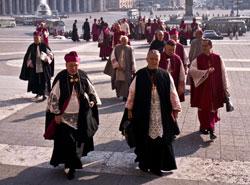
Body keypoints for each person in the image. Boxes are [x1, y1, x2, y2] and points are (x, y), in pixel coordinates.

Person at [123, 49, 181, 176]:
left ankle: (157, 166)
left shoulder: (165, 74)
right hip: (143, 113)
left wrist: (175, 109)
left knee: (161, 139)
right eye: (152, 59)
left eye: (156, 59)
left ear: (159, 60)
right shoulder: (140, 74)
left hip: (161, 114)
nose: (154, 61)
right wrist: (129, 109)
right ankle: (145, 164)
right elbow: (131, 93)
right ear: (147, 59)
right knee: (145, 138)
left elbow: (173, 92)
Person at [45, 51, 101, 180]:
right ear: (66, 65)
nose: (74, 68)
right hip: (65, 118)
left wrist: (92, 100)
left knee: (78, 142)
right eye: (71, 65)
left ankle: (73, 163)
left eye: (76, 65)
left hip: (80, 117)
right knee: (69, 142)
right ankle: (71, 168)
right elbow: (53, 97)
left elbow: (91, 91)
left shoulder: (83, 76)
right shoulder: (60, 78)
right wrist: (57, 113)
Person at [190, 39, 229, 139]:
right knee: (202, 108)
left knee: (212, 108)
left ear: (210, 46)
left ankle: (211, 129)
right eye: (202, 46)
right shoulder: (198, 59)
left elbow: (223, 74)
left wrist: (225, 87)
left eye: (205, 46)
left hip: (215, 89)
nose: (203, 48)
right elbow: (192, 70)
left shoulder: (218, 58)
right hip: (203, 90)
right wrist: (205, 72)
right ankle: (203, 127)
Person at [19, 31, 54, 101]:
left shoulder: (44, 45)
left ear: (40, 38)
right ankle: (38, 93)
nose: (35, 39)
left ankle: (44, 94)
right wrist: (30, 63)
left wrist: (47, 59)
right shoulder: (31, 47)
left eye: (37, 38)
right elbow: (27, 57)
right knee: (36, 81)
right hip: (35, 68)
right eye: (34, 38)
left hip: (43, 67)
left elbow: (51, 55)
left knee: (44, 81)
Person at [110, 36, 136, 101]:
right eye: (122, 41)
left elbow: (133, 59)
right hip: (118, 69)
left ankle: (125, 96)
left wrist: (133, 69)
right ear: (120, 41)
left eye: (125, 41)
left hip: (127, 68)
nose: (123, 42)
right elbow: (113, 57)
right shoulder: (116, 47)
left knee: (127, 82)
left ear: (127, 41)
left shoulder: (130, 48)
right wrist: (117, 66)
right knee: (118, 82)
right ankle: (118, 93)